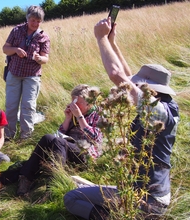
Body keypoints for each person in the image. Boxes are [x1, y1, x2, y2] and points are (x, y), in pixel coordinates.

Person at [64, 18, 179, 219]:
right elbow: (127, 77)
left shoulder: (157, 111)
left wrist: (100, 38)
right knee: (79, 181)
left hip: (147, 200)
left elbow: (118, 75)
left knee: (71, 198)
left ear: (150, 90)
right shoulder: (164, 107)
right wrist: (112, 43)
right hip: (145, 192)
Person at [17, 84, 103, 196]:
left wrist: (79, 117)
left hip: (86, 153)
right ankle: (26, 178)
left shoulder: (99, 114)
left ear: (89, 102)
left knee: (59, 142)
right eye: (73, 102)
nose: (74, 105)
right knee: (48, 138)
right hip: (68, 147)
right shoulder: (74, 114)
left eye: (78, 103)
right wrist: (67, 119)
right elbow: (60, 135)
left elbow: (96, 138)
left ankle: (53, 183)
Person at [2, 5, 50, 140]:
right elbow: (5, 49)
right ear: (27, 18)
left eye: (38, 21)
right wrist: (16, 50)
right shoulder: (16, 31)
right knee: (11, 105)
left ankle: (26, 136)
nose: (35, 23)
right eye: (33, 20)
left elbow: (46, 58)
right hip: (14, 73)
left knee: (28, 106)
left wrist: (40, 58)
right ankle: (8, 135)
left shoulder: (43, 36)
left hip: (32, 75)